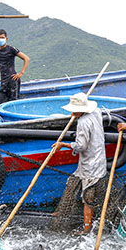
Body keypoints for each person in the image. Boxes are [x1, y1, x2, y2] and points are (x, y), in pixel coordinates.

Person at [52, 93, 107, 234]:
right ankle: (63, 210)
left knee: (87, 197)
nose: (71, 113)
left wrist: (63, 144)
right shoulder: (96, 112)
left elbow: (81, 146)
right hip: (96, 159)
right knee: (72, 182)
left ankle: (86, 228)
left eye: (73, 110)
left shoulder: (83, 123)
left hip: (91, 165)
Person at [0, 29, 30, 105]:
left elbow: (26, 59)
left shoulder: (11, 49)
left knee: (13, 103)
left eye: (2, 37)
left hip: (13, 79)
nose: (0, 39)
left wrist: (21, 73)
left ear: (6, 38)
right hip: (3, 81)